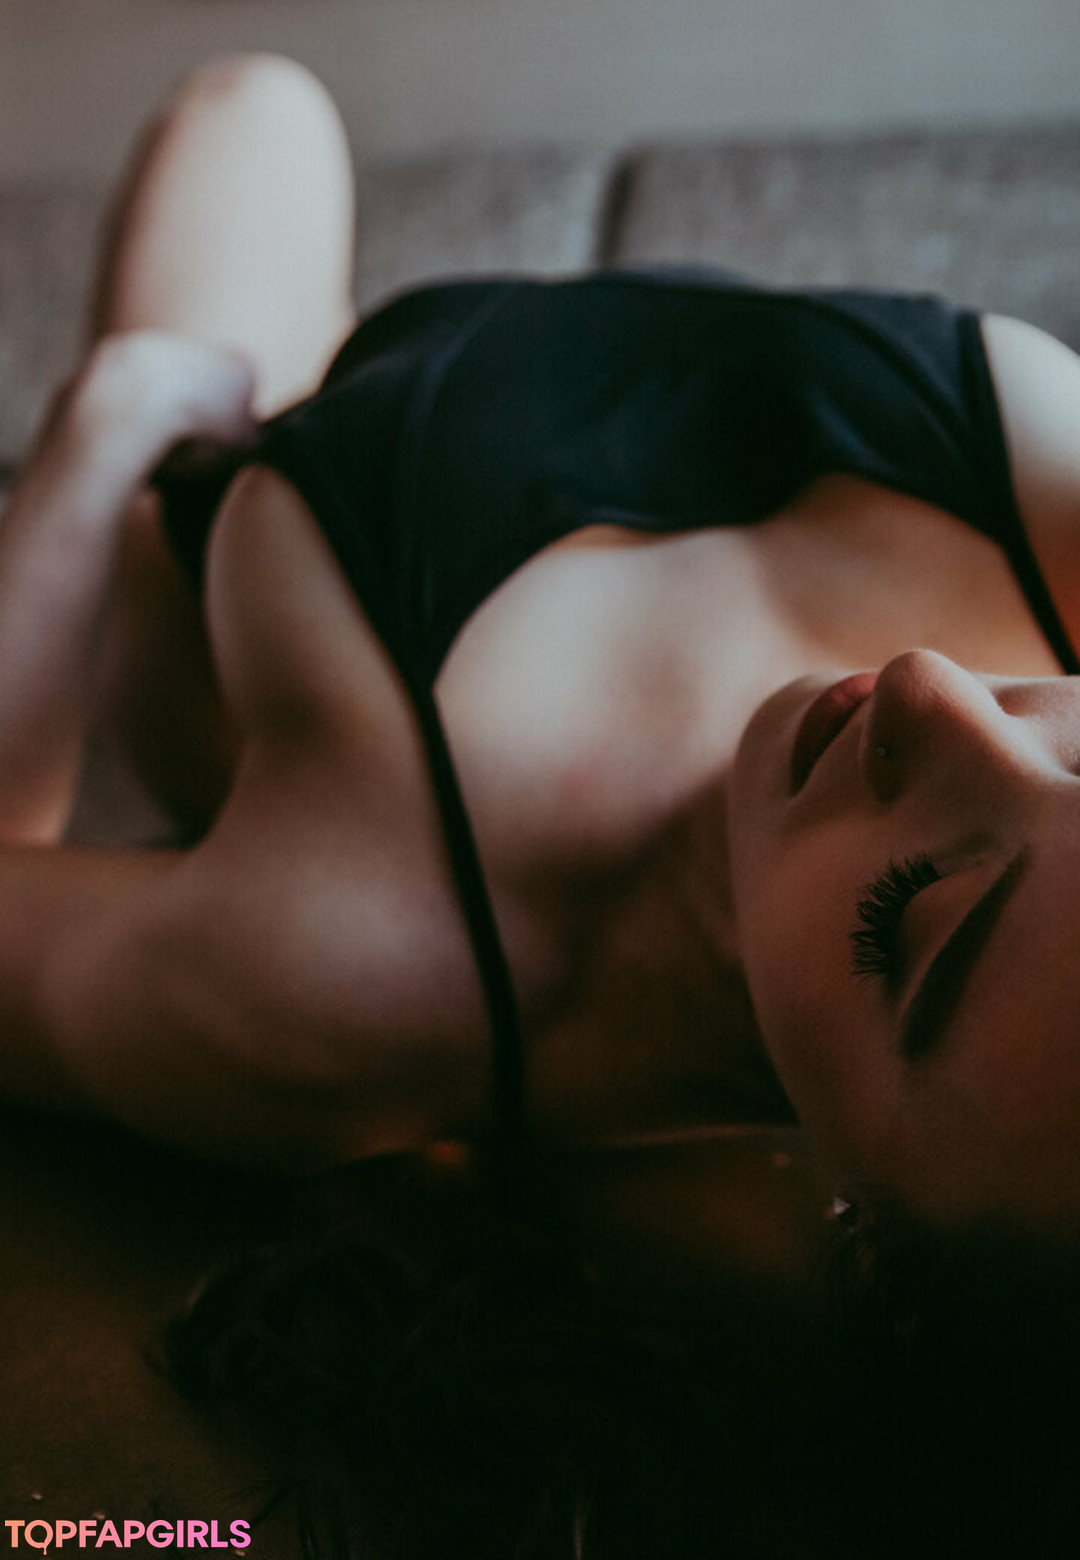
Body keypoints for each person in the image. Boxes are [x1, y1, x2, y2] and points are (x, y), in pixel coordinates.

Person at [8, 50, 1080, 1552]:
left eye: (922, 910)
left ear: (852, 1216)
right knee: (258, 103)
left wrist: (97, 438)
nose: (933, 690)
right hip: (368, 408)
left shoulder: (341, 976)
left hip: (218, 487)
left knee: (249, 111)